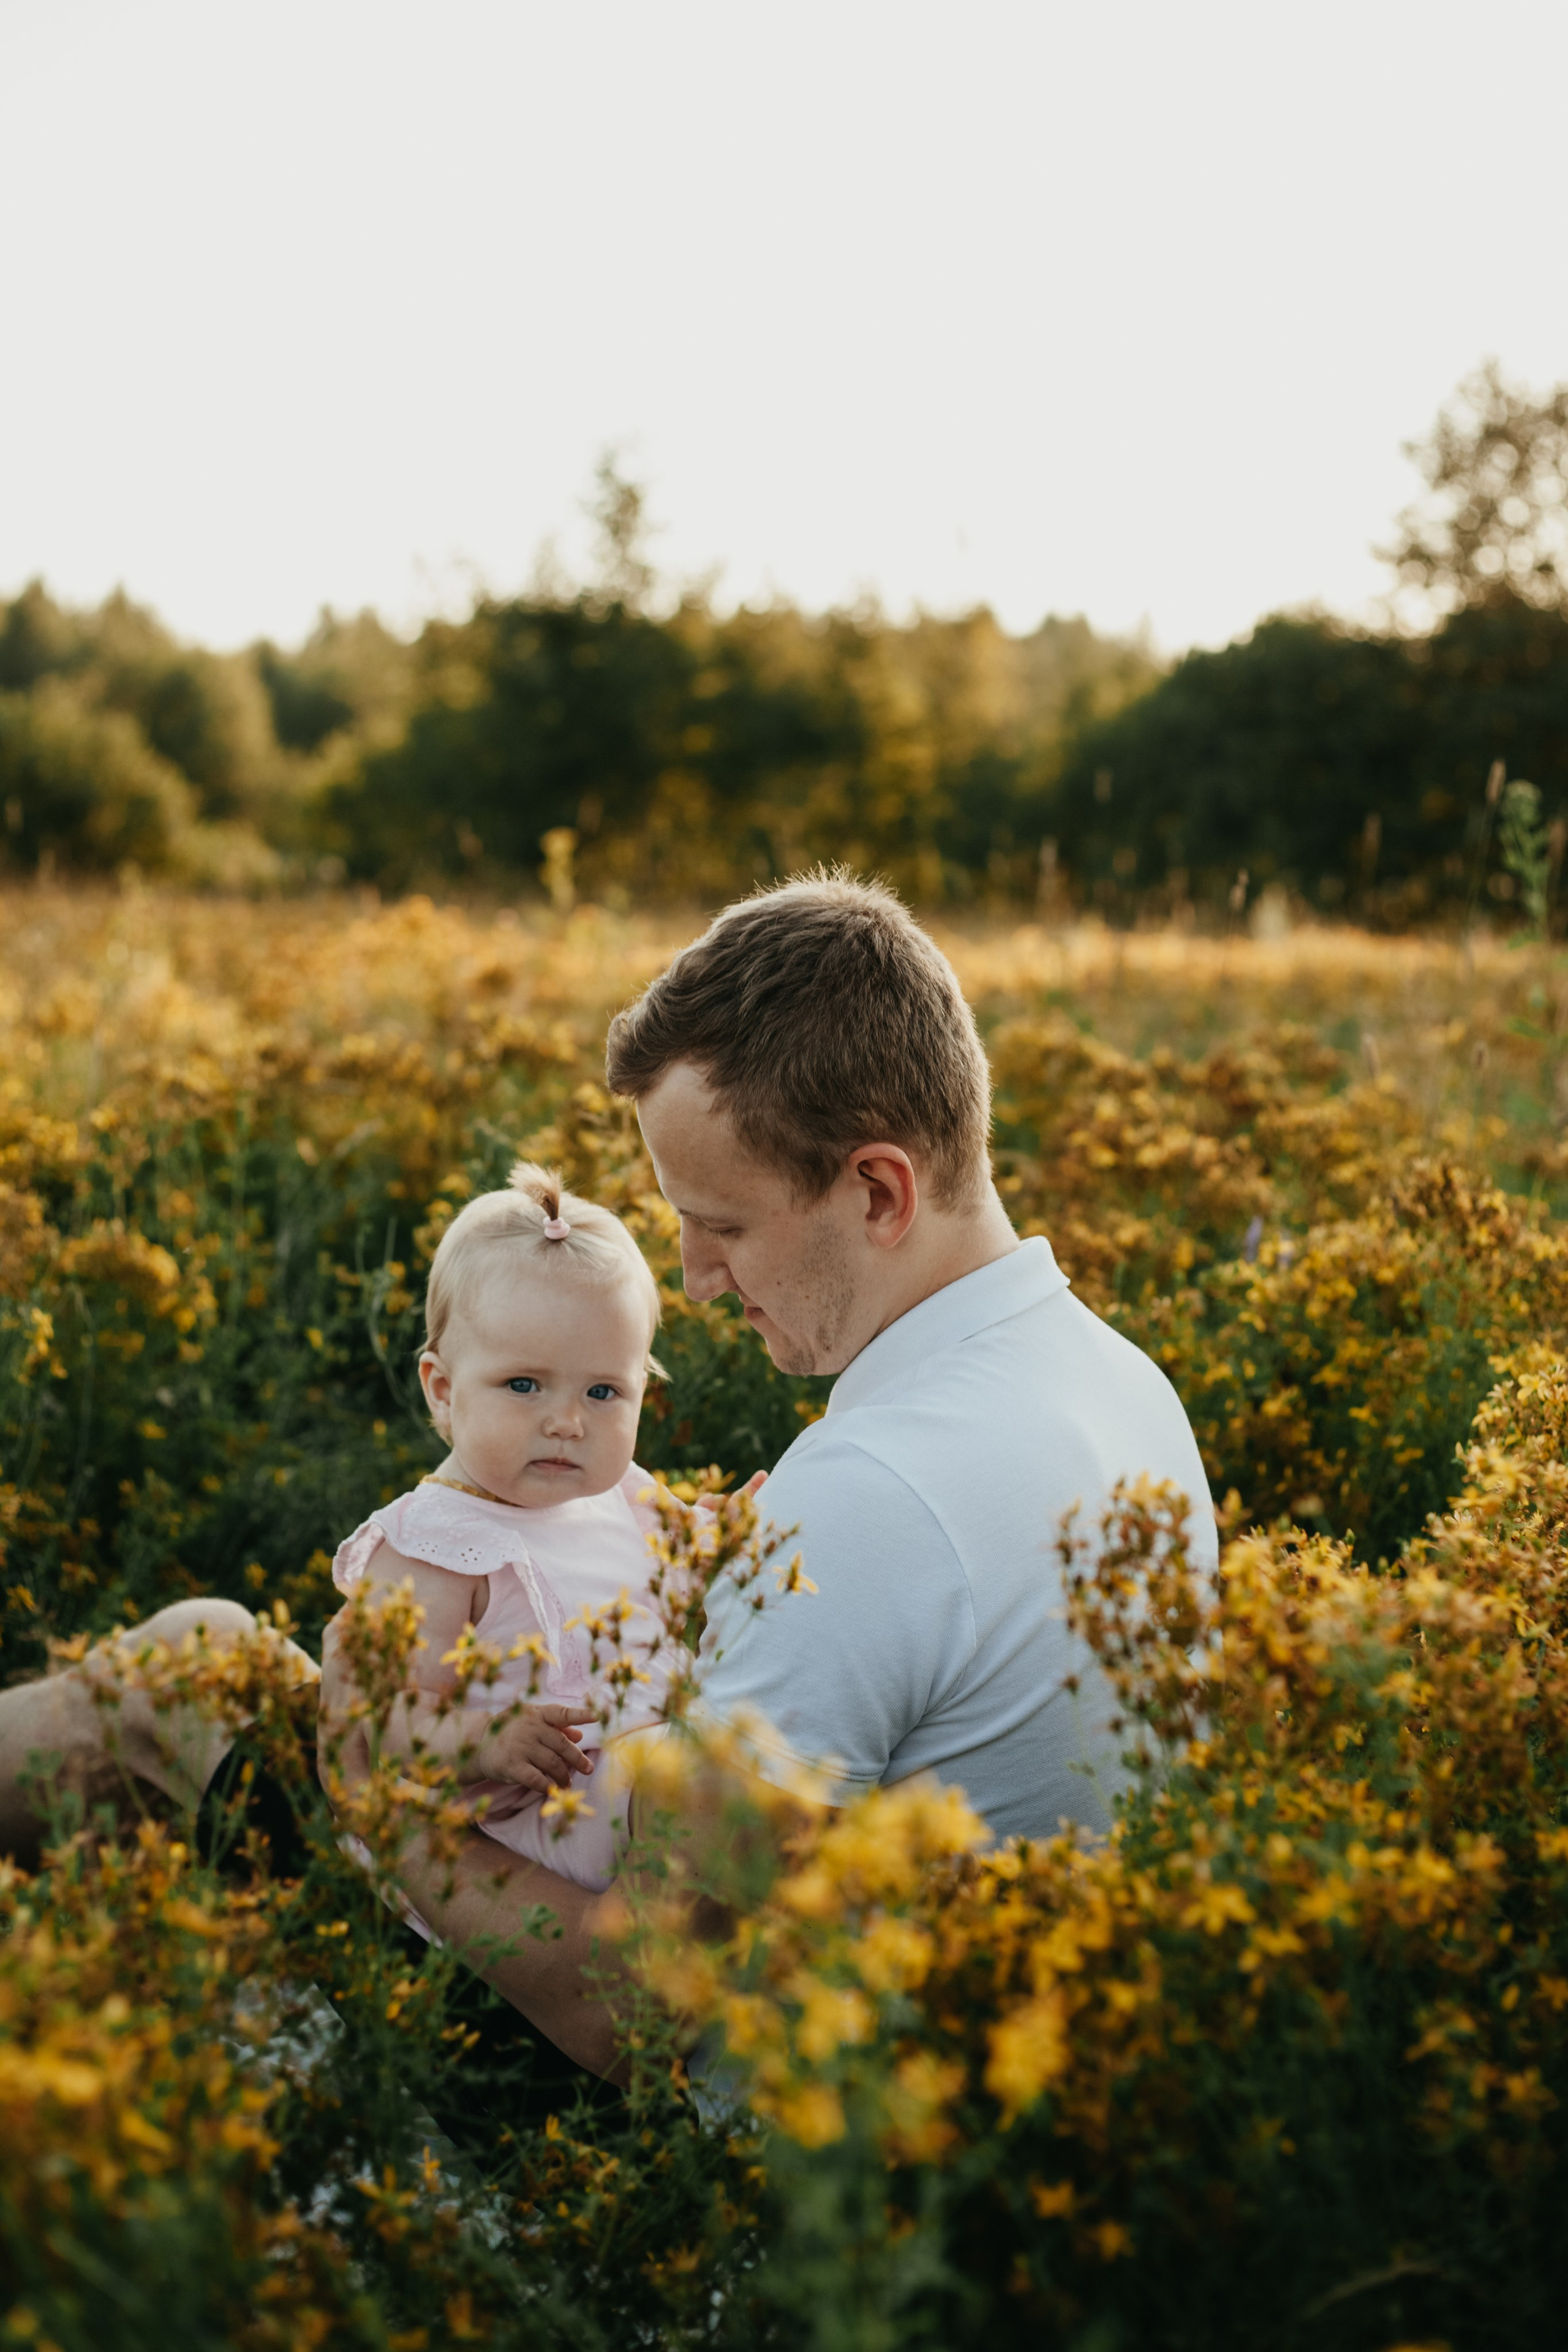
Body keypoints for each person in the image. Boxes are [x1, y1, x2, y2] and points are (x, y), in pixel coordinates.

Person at [336, 872, 1218, 2076]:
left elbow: (632, 2011)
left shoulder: (865, 1495)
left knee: (189, 1680)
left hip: (788, 2159)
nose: (694, 1279)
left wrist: (375, 1806)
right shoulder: (1122, 1383)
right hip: (1039, 2076)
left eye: (725, 1226)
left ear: (876, 1191)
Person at [328, 1159, 705, 1905]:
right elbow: (376, 1716)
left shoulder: (617, 1492)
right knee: (702, 1790)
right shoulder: (434, 1547)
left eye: (603, 1392)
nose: (567, 1421)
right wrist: (484, 1741)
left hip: (627, 1777)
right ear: (442, 1387)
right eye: (524, 1385)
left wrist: (720, 1540)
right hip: (520, 1824)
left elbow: (676, 1577)